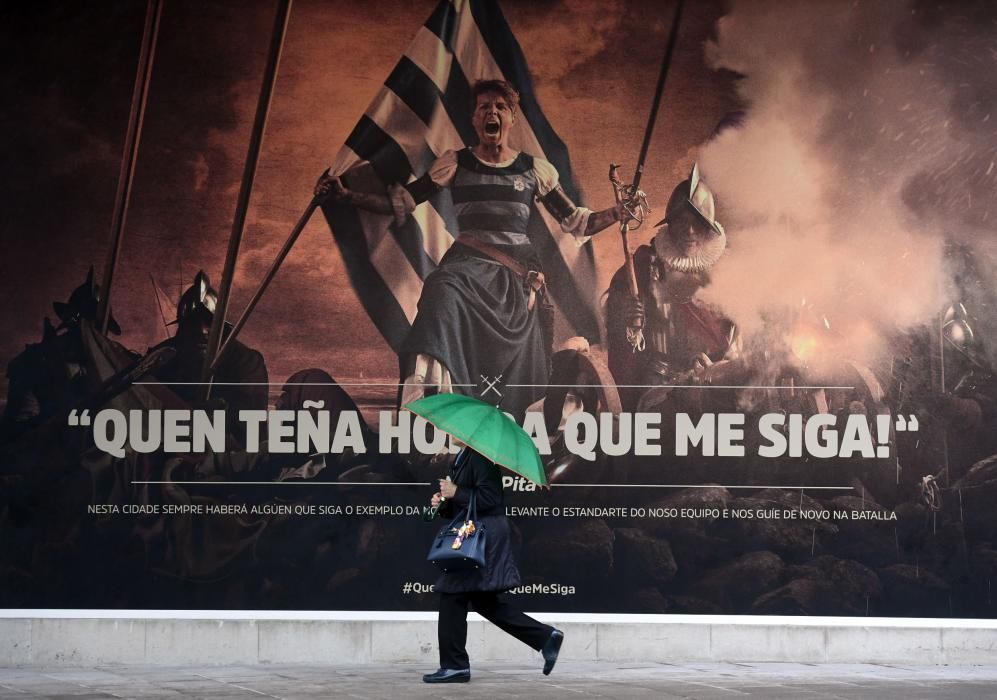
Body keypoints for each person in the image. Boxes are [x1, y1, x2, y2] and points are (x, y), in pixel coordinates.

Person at [317, 79, 629, 417]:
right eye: (484, 107)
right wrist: (348, 196)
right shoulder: (456, 163)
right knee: (439, 292)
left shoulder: (533, 170)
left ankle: (517, 420)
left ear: (511, 119)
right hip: (465, 267)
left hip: (516, 277)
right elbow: (404, 203)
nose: (491, 112)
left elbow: (577, 222)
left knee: (524, 357)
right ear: (474, 119)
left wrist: (617, 213)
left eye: (500, 107)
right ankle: (428, 406)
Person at [423, 445, 563, 683]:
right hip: (475, 534)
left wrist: (456, 491)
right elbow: (466, 501)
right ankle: (545, 637)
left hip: (483, 537)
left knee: (451, 595)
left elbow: (491, 498)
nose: (451, 433)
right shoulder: (464, 456)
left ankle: (455, 665)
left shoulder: (480, 458)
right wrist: (444, 501)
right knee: (483, 601)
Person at [606, 164, 740, 410]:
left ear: (709, 227)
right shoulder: (646, 264)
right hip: (661, 382)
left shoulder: (729, 269)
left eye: (697, 223)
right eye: (682, 222)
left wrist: (725, 365)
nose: (689, 231)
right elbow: (621, 333)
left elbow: (740, 333)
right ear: (670, 224)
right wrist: (630, 321)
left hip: (714, 380)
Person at [148, 271, 269, 447]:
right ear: (183, 326)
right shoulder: (163, 355)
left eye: (209, 322)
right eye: (193, 322)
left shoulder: (247, 361)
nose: (202, 331)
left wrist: (209, 410)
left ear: (220, 325)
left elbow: (250, 420)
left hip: (226, 455)